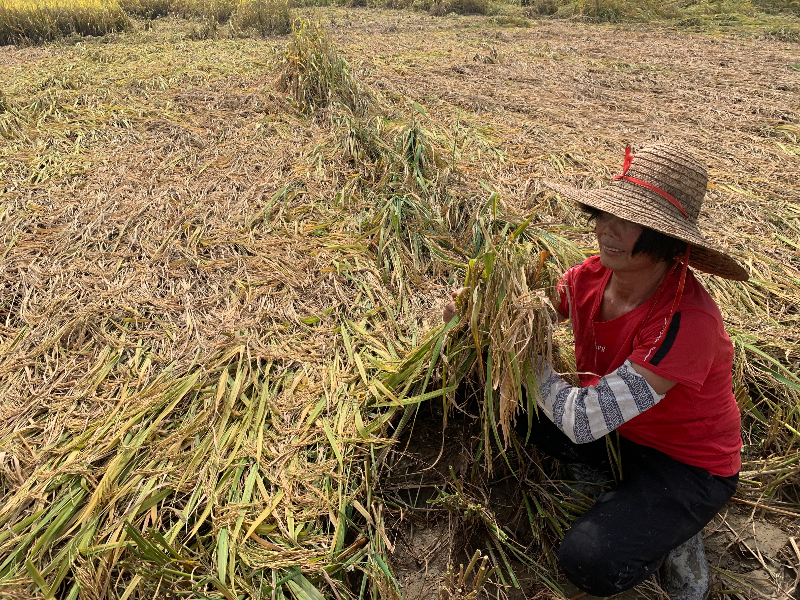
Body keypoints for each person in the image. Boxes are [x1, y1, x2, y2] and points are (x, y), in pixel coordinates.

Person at [444, 143, 747, 600]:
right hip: (617, 432)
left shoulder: (686, 322)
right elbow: (533, 313)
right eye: (605, 214)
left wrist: (523, 358)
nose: (607, 231)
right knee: (490, 395)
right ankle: (619, 487)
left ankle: (677, 530)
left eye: (628, 222)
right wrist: (479, 312)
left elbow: (582, 420)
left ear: (667, 241)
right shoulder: (589, 277)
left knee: (590, 562)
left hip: (685, 465)